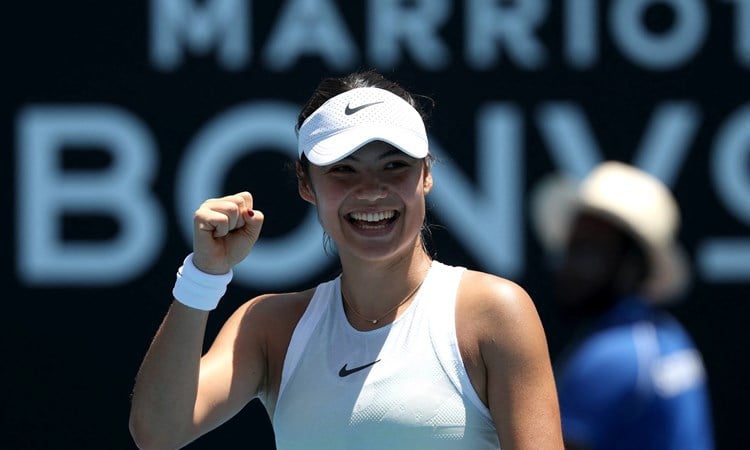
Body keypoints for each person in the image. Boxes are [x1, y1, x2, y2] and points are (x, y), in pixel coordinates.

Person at [128, 69, 564, 450]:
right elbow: (158, 434)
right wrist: (203, 276)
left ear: (427, 174)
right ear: (306, 183)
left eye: (394, 166)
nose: (371, 190)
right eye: (343, 169)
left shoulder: (494, 313)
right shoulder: (269, 327)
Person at [529, 161, 715, 450]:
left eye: (587, 250)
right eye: (571, 247)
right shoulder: (670, 335)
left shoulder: (608, 359)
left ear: (631, 266)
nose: (567, 265)